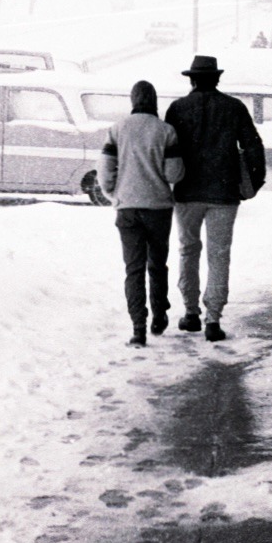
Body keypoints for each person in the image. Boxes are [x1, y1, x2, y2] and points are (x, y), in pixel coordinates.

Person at [163, 55, 266, 342]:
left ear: (192, 80)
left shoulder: (177, 108)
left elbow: (168, 150)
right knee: (219, 255)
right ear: (217, 79)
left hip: (187, 192)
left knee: (188, 250)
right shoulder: (234, 108)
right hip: (224, 193)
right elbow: (253, 146)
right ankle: (213, 319)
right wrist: (252, 183)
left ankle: (191, 313)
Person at [98, 81, 185, 347]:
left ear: (133, 100)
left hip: (127, 209)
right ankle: (159, 316)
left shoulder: (117, 130)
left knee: (133, 269)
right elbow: (174, 173)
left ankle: (138, 328)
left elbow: (104, 170)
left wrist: (114, 193)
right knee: (157, 265)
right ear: (154, 100)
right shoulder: (166, 131)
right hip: (158, 208)